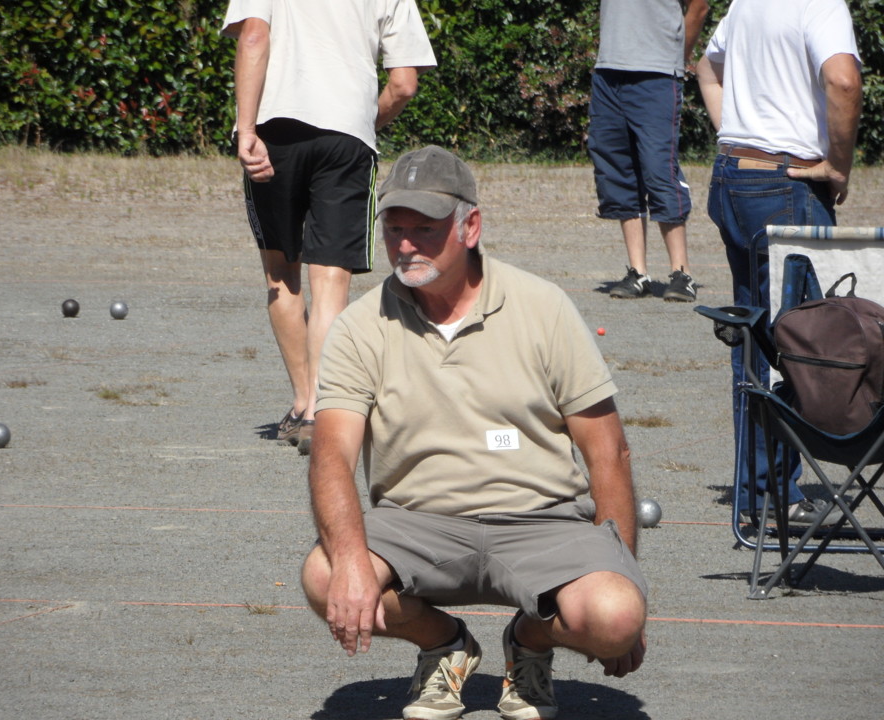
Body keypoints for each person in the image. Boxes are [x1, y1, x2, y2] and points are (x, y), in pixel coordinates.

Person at [301, 146, 648, 720]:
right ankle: (444, 645)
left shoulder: (543, 307)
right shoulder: (360, 326)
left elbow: (607, 450)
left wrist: (624, 576)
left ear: (471, 226)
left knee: (614, 616)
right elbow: (331, 455)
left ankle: (530, 645)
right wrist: (351, 560)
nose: (406, 244)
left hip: (544, 522)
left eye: (425, 228)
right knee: (324, 572)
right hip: (418, 523)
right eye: (394, 228)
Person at [221, 0, 436, 455]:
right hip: (346, 139)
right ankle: (323, 410)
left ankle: (301, 403)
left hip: (274, 131)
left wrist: (245, 131)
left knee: (281, 273)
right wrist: (358, 123)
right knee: (331, 282)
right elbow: (404, 85)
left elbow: (254, 37)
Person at [696, 0, 862, 524]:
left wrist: (737, 135)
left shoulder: (748, 2)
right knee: (796, 341)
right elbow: (843, 81)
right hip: (782, 186)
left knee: (755, 340)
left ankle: (760, 489)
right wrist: (837, 164)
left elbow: (706, 67)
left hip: (733, 178)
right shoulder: (821, 4)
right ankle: (768, 495)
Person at [588, 0, 708, 301]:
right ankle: (638, 273)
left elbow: (700, 6)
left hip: (656, 74)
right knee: (616, 170)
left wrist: (678, 58)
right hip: (608, 71)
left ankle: (682, 274)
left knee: (659, 168)